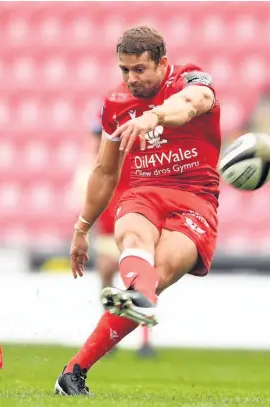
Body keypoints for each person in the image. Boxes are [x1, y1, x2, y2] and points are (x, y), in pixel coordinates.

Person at [55, 26, 221, 396]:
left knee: (158, 274)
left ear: (162, 63)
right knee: (133, 235)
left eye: (140, 70)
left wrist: (154, 117)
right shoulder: (115, 104)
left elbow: (191, 105)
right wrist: (82, 228)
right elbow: (104, 171)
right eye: (125, 70)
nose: (132, 79)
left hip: (195, 199)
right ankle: (137, 296)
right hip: (143, 193)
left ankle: (73, 370)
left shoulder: (191, 79)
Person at [91, 120, 155, 358]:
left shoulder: (131, 158)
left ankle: (145, 341)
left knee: (140, 283)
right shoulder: (95, 164)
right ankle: (109, 338)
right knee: (108, 278)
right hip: (109, 231)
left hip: (135, 226)